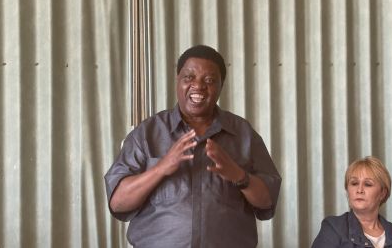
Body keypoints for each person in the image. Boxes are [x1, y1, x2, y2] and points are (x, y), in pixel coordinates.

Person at [104, 44, 281, 248]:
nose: (198, 86)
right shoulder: (147, 134)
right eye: (189, 77)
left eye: (209, 80)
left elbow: (267, 201)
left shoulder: (243, 134)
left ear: (221, 86)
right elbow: (118, 203)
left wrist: (238, 175)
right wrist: (162, 167)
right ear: (177, 81)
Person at [311, 156, 392, 248]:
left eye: (368, 184)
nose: (359, 190)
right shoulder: (333, 228)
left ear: (383, 193)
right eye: (354, 183)